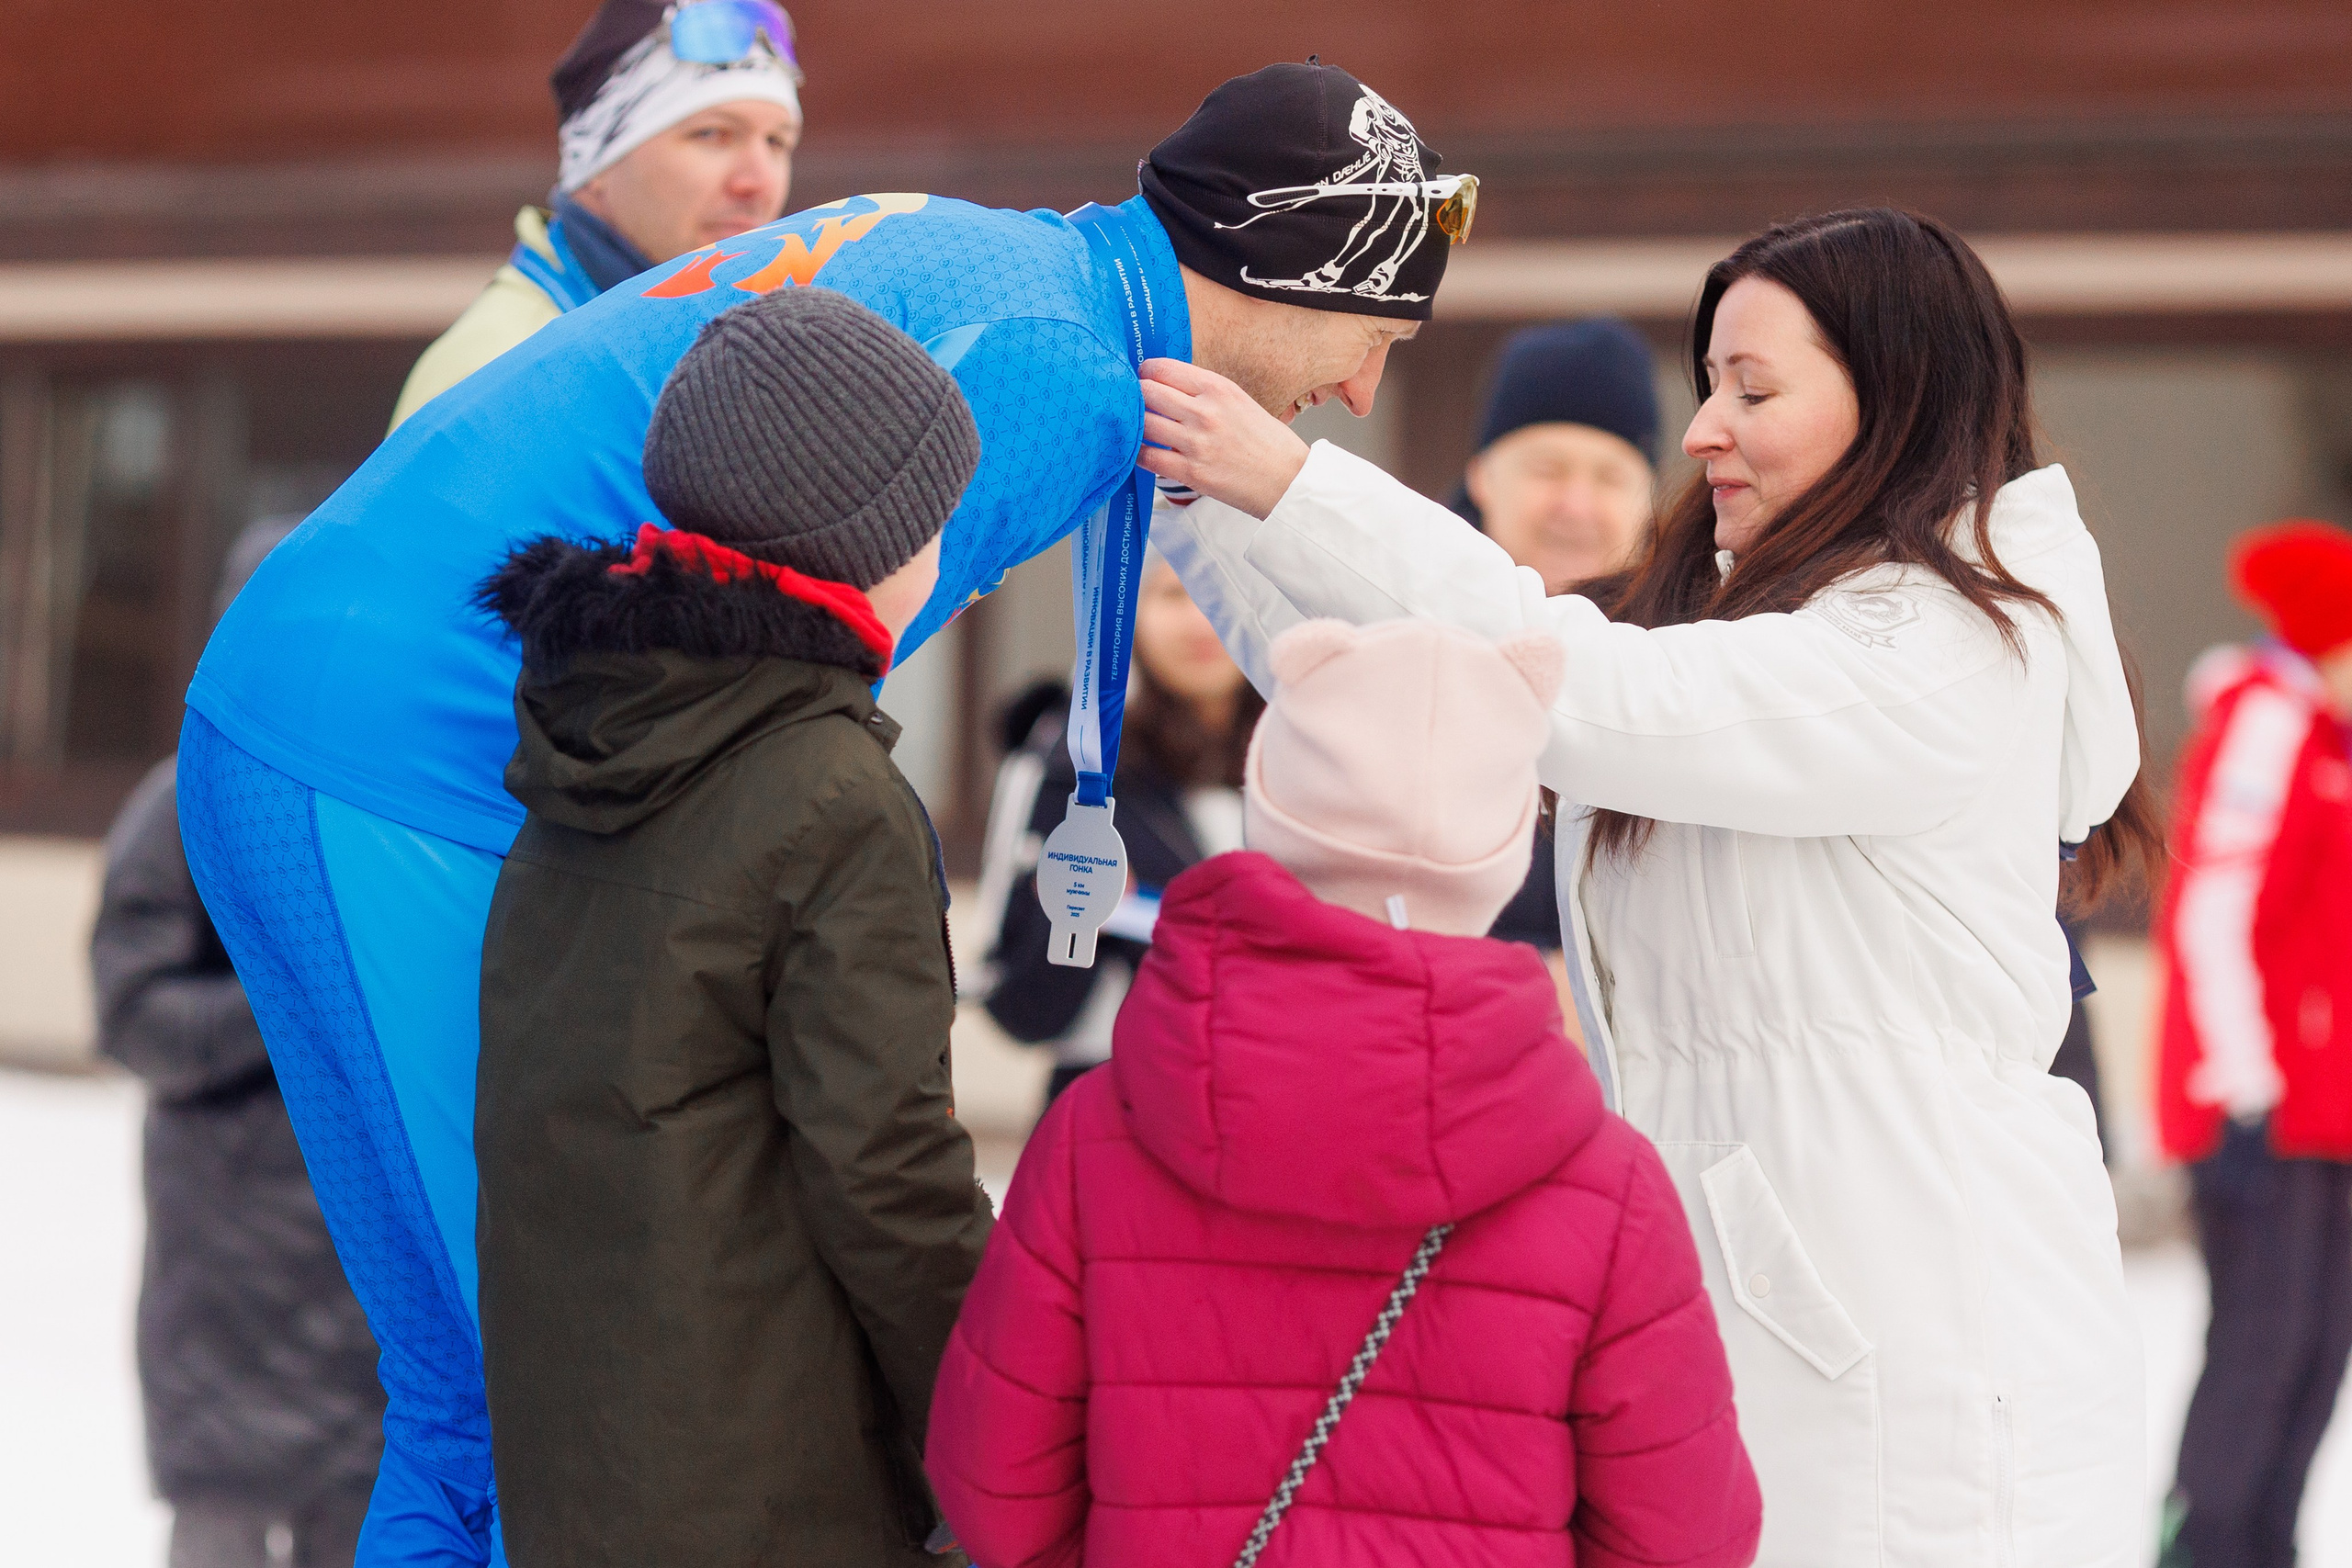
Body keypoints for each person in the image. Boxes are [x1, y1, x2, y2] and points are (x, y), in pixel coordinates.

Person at [176, 59, 1474, 1566]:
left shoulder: (1013, 260)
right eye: (1373, 332)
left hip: (319, 700)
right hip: (394, 753)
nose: (1367, 388)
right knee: (519, 1384)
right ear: (1275, 267)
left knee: (469, 1390)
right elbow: (787, 714)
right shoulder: (1060, 372)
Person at [1145, 207, 2161, 1564]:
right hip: (1740, 1322)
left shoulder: (1952, 643)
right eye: (1707, 388)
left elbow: (1583, 688)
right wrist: (1198, 500)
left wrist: (1294, 481)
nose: (1702, 431)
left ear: (1897, 388)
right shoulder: (1750, 626)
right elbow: (1410, 698)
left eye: (1754, 388)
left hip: (1923, 1347)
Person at [928, 616, 1761, 1566]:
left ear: (1271, 800)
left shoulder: (1093, 1138)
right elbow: (1687, 1533)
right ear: (1505, 849)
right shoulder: (1609, 1185)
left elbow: (995, 1483)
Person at [470, 288, 990, 1565]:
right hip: (777, 1478)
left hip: (589, 1451)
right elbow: (885, 1166)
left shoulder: (597, 724)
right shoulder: (830, 792)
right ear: (868, 544)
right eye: (935, 515)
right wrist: (998, 1424)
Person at [91, 520, 384, 1568]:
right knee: (222, 1523)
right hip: (229, 1256)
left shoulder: (377, 807)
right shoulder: (178, 807)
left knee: (363, 1523)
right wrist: (289, 993)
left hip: (360, 1254)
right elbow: (135, 1018)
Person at [2154, 520, 2352, 1568]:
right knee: (2260, 1347)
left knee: (2320, 1350)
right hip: (2260, 1104)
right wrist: (2241, 1082)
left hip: (2329, 1109)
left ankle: (2268, 1544)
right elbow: (2214, 909)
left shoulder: (2329, 738)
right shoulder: (2267, 724)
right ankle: (2206, 1544)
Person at [389, 0, 803, 428]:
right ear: (598, 163)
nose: (758, 183)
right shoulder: (495, 378)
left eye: (776, 142)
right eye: (712, 134)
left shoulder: (748, 337)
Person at [975, 550, 1259, 1110]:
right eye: (1174, 594)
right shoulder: (1073, 769)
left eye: (1220, 591)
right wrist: (1077, 922)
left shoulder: (1319, 761)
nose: (1201, 620)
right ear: (1129, 608)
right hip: (1119, 1110)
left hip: (1282, 1112)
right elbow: (1017, 1007)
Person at [1450, 318, 1661, 967]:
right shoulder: (1403, 631)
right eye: (1548, 469)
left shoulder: (1686, 656)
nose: (1575, 503)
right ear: (1484, 476)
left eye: (1608, 476)